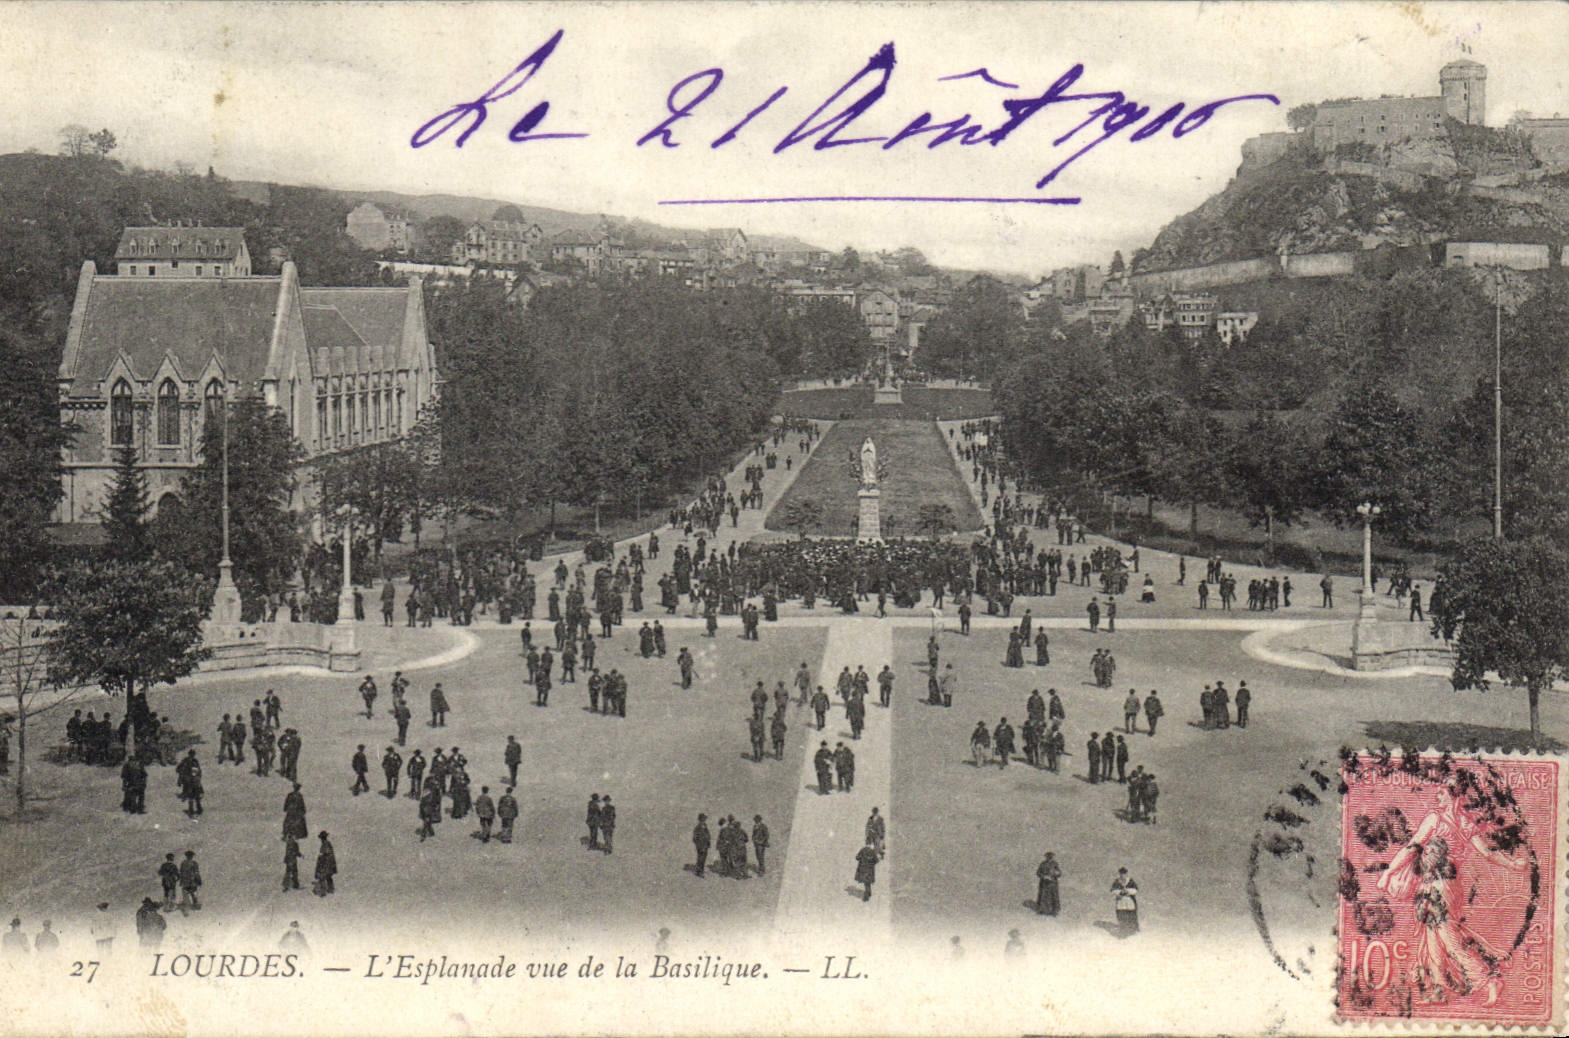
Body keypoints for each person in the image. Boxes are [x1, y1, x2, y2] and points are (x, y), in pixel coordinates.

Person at [1112, 868, 1139, 935]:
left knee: (1131, 913)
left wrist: (1128, 891)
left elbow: (1135, 890)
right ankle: (1123, 927)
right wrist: (1119, 892)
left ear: (1126, 874)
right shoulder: (1117, 881)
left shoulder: (1130, 881)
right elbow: (1113, 890)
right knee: (1121, 914)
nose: (1122, 876)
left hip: (1129, 900)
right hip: (1121, 901)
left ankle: (1133, 928)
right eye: (1121, 874)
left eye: (1124, 874)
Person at [313, 832, 336, 896]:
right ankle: (330, 889)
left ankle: (323, 891)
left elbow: (325, 854)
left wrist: (321, 858)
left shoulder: (325, 844)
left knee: (323, 876)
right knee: (328, 876)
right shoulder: (328, 844)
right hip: (329, 863)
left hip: (326, 863)